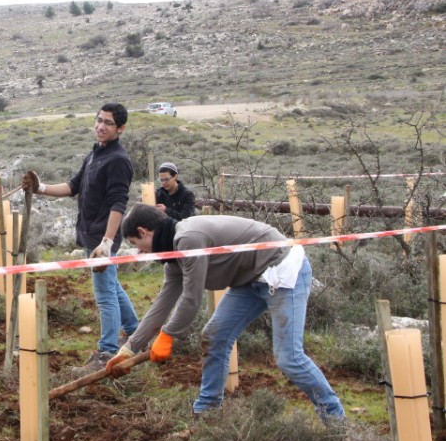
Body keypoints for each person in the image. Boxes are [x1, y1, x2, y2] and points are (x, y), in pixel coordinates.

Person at [105, 203, 345, 422]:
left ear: (144, 232)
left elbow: (192, 298)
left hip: (281, 270)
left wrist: (168, 335)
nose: (139, 253)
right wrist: (130, 348)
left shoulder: (188, 239)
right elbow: (164, 302)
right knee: (215, 336)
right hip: (250, 280)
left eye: (136, 244)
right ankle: (207, 412)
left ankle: (335, 421)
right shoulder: (174, 257)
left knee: (289, 358)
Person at [22, 102, 139, 374]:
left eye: (108, 123)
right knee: (112, 287)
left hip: (102, 238)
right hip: (90, 234)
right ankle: (136, 334)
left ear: (120, 129)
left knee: (104, 294)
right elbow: (73, 186)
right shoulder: (96, 153)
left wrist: (107, 242)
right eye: (99, 120)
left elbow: (118, 204)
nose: (100, 126)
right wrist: (41, 188)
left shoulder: (118, 160)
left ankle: (107, 352)